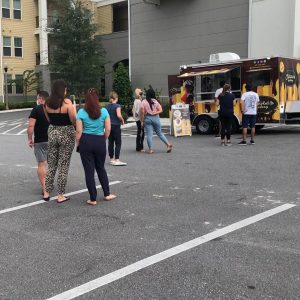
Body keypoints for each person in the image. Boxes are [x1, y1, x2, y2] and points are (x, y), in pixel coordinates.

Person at [76, 88, 116, 205]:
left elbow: (79, 132)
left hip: (86, 141)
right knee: (101, 168)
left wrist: (78, 143)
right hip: (99, 140)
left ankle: (93, 198)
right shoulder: (103, 111)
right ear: (97, 98)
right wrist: (103, 138)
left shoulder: (81, 112)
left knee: (89, 171)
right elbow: (108, 129)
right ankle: (107, 193)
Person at [43, 79, 76, 203]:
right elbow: (73, 120)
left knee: (51, 163)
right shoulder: (67, 103)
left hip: (52, 132)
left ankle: (46, 192)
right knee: (63, 165)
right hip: (66, 133)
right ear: (63, 90)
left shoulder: (47, 102)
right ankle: (60, 194)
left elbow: (48, 119)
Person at [27, 91, 49, 194]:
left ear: (40, 99)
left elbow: (31, 126)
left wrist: (29, 138)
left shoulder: (36, 109)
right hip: (53, 140)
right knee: (51, 164)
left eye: (37, 98)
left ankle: (45, 188)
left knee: (41, 164)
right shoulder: (54, 108)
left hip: (40, 141)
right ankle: (51, 184)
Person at [140, 88, 173, 154]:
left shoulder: (143, 102)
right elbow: (161, 110)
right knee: (160, 133)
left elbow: (142, 112)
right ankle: (168, 145)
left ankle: (150, 149)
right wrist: (154, 113)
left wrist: (142, 121)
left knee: (149, 135)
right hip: (156, 118)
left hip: (147, 119)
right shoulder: (155, 101)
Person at [106, 91, 127, 166]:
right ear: (116, 98)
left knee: (110, 142)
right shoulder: (117, 106)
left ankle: (111, 159)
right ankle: (117, 159)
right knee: (118, 143)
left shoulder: (107, 106)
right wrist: (122, 120)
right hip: (116, 126)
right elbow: (118, 115)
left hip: (109, 125)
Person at [132, 88, 145, 152]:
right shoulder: (139, 101)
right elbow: (139, 112)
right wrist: (142, 121)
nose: (142, 94)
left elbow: (134, 111)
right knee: (141, 133)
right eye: (141, 93)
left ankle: (138, 147)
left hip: (137, 119)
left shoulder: (135, 100)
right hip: (139, 119)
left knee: (139, 132)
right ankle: (140, 147)